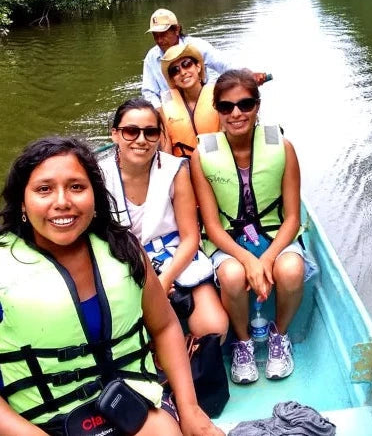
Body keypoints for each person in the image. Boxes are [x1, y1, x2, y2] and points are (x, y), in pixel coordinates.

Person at [0, 136, 224, 436]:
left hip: (130, 404)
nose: (62, 201)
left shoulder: (122, 248)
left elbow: (165, 325)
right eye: (44, 189)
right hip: (39, 424)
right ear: (23, 202)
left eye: (77, 187)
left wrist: (190, 408)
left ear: (95, 195)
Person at [190, 69, 304, 385]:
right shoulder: (202, 156)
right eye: (226, 107)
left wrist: (265, 259)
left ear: (257, 105)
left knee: (292, 270)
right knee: (231, 274)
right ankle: (243, 343)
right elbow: (211, 226)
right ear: (217, 110)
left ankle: (279, 335)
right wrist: (249, 260)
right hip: (228, 240)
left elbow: (292, 218)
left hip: (274, 235)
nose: (236, 113)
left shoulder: (284, 148)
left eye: (245, 104)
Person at [99, 98, 228, 342]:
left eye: (150, 132)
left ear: (159, 136)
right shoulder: (98, 176)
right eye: (130, 131)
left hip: (172, 254)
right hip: (123, 258)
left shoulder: (174, 169)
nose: (141, 140)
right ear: (115, 134)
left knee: (215, 328)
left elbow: (190, 237)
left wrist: (164, 279)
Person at [141, 8, 267, 112]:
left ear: (177, 29)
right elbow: (149, 92)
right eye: (155, 36)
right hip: (172, 110)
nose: (159, 40)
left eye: (163, 34)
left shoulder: (196, 46)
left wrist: (247, 74)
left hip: (202, 103)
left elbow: (223, 63)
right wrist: (160, 113)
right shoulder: (151, 58)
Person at [160, 43, 220, 157]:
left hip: (216, 160)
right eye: (175, 70)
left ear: (198, 67)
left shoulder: (219, 95)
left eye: (186, 64)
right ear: (172, 79)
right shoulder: (166, 107)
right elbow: (166, 145)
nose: (182, 72)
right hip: (184, 165)